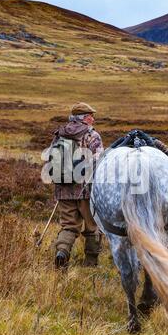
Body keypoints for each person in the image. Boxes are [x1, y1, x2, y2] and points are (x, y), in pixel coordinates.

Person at [50, 102, 104, 269]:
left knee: (69, 226)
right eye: (90, 115)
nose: (93, 118)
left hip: (64, 189)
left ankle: (62, 252)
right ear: (83, 118)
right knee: (92, 227)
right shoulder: (91, 135)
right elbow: (99, 161)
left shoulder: (60, 133)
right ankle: (90, 264)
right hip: (87, 191)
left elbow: (51, 159)